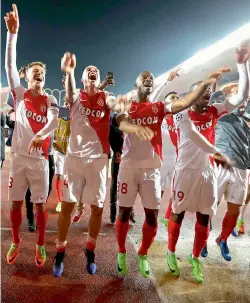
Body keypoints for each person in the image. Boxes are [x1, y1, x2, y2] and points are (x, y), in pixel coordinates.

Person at [115, 69, 219, 278]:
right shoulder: (126, 103)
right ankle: (121, 252)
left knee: (152, 218)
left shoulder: (159, 107)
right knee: (124, 213)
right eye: (144, 76)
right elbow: (122, 122)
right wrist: (135, 129)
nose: (148, 79)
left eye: (152, 78)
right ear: (136, 83)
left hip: (152, 170)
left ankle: (143, 253)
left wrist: (204, 84)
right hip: (128, 167)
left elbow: (183, 103)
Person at [166, 48, 249, 283]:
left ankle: (195, 258)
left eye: (209, 93)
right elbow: (192, 135)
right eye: (202, 93)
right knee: (178, 214)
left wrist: (243, 66)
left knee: (204, 218)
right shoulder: (181, 113)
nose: (207, 96)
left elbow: (241, 97)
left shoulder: (214, 111)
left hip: (207, 174)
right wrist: (216, 151)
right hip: (185, 172)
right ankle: (171, 253)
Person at [53, 52, 131, 277]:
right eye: (88, 70)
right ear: (83, 78)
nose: (93, 71)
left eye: (95, 70)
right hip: (75, 161)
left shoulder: (106, 97)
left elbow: (116, 105)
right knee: (67, 207)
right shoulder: (75, 95)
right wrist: (68, 71)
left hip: (98, 161)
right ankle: (60, 252)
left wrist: (125, 108)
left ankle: (90, 250)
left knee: (97, 208)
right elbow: (68, 90)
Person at [4, 4, 59, 267]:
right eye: (34, 71)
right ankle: (16, 240)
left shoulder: (49, 99)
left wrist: (42, 135)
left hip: (40, 162)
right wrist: (12, 35)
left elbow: (54, 121)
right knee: (15, 204)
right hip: (19, 160)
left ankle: (39, 245)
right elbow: (9, 64)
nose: (39, 74)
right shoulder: (19, 94)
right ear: (26, 76)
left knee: (39, 206)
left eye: (42, 73)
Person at [201, 81, 250, 259]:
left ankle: (222, 239)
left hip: (242, 168)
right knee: (209, 207)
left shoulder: (248, 116)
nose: (242, 101)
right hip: (219, 165)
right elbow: (211, 100)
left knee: (234, 211)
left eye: (244, 99)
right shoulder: (222, 113)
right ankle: (203, 240)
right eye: (237, 98)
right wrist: (224, 88)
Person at [71, 73, 114, 222]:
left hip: (99, 152)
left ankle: (93, 217)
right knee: (80, 185)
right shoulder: (77, 95)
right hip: (79, 151)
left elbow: (109, 100)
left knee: (95, 189)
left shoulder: (105, 97)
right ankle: (79, 207)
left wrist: (122, 104)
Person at [109, 112, 136, 224]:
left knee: (130, 185)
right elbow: (112, 137)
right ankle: (113, 211)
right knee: (115, 184)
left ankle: (130, 211)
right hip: (118, 158)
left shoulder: (131, 123)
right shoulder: (114, 125)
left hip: (130, 159)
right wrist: (117, 150)